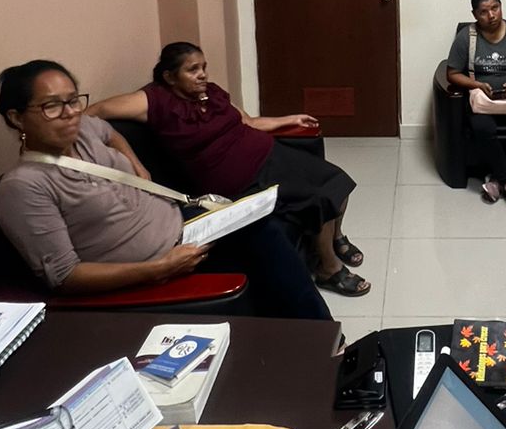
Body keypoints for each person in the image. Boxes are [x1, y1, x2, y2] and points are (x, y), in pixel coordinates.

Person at [0, 59, 332, 320]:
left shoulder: (83, 132)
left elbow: (111, 133)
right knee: (266, 242)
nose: (69, 114)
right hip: (156, 264)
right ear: (17, 117)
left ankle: (317, 339)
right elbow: (66, 276)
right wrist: (160, 268)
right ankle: (322, 341)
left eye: (73, 101)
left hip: (183, 223)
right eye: (52, 106)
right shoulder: (23, 187)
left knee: (266, 219)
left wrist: (137, 169)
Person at [88, 43, 370, 298]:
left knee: (337, 180)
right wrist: (86, 146)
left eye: (203, 67)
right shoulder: (154, 101)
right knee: (319, 195)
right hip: (240, 179)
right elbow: (96, 111)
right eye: (192, 70)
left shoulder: (212, 93)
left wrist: (288, 119)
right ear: (170, 77)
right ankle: (328, 269)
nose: (202, 75)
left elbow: (249, 122)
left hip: (270, 154)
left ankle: (336, 237)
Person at [445, 0, 506, 209]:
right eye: (484, 12)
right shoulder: (467, 37)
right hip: (482, 97)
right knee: (482, 128)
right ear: (474, 14)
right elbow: (452, 73)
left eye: (495, 8)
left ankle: (497, 180)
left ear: (500, 6)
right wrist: (477, 85)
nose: (491, 15)